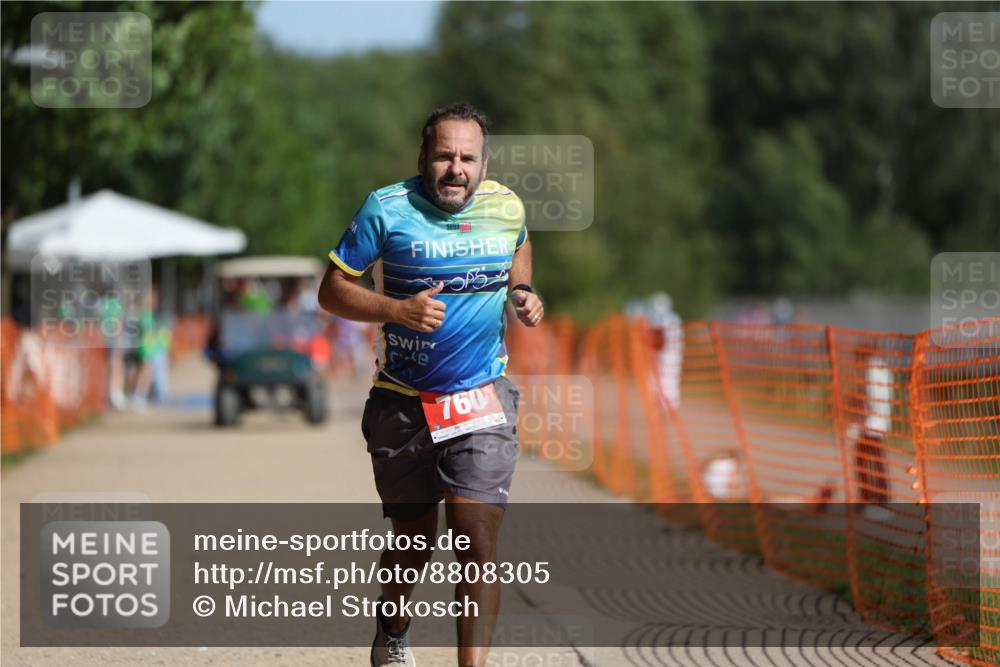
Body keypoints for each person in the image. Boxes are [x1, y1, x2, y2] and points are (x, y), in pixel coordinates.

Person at [318, 102, 543, 667]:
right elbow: (331, 290)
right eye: (444, 156)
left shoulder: (505, 206)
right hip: (402, 401)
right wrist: (396, 310)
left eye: (468, 157)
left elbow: (519, 244)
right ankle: (392, 631)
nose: (456, 169)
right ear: (423, 158)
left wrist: (522, 292)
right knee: (414, 540)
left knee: (476, 536)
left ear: (483, 163)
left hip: (480, 395)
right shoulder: (386, 209)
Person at [846, 346, 893, 518]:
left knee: (863, 460)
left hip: (870, 423)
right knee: (876, 461)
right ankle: (879, 498)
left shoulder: (869, 370)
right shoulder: (883, 368)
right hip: (881, 422)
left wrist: (856, 419)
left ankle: (871, 498)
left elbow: (869, 400)